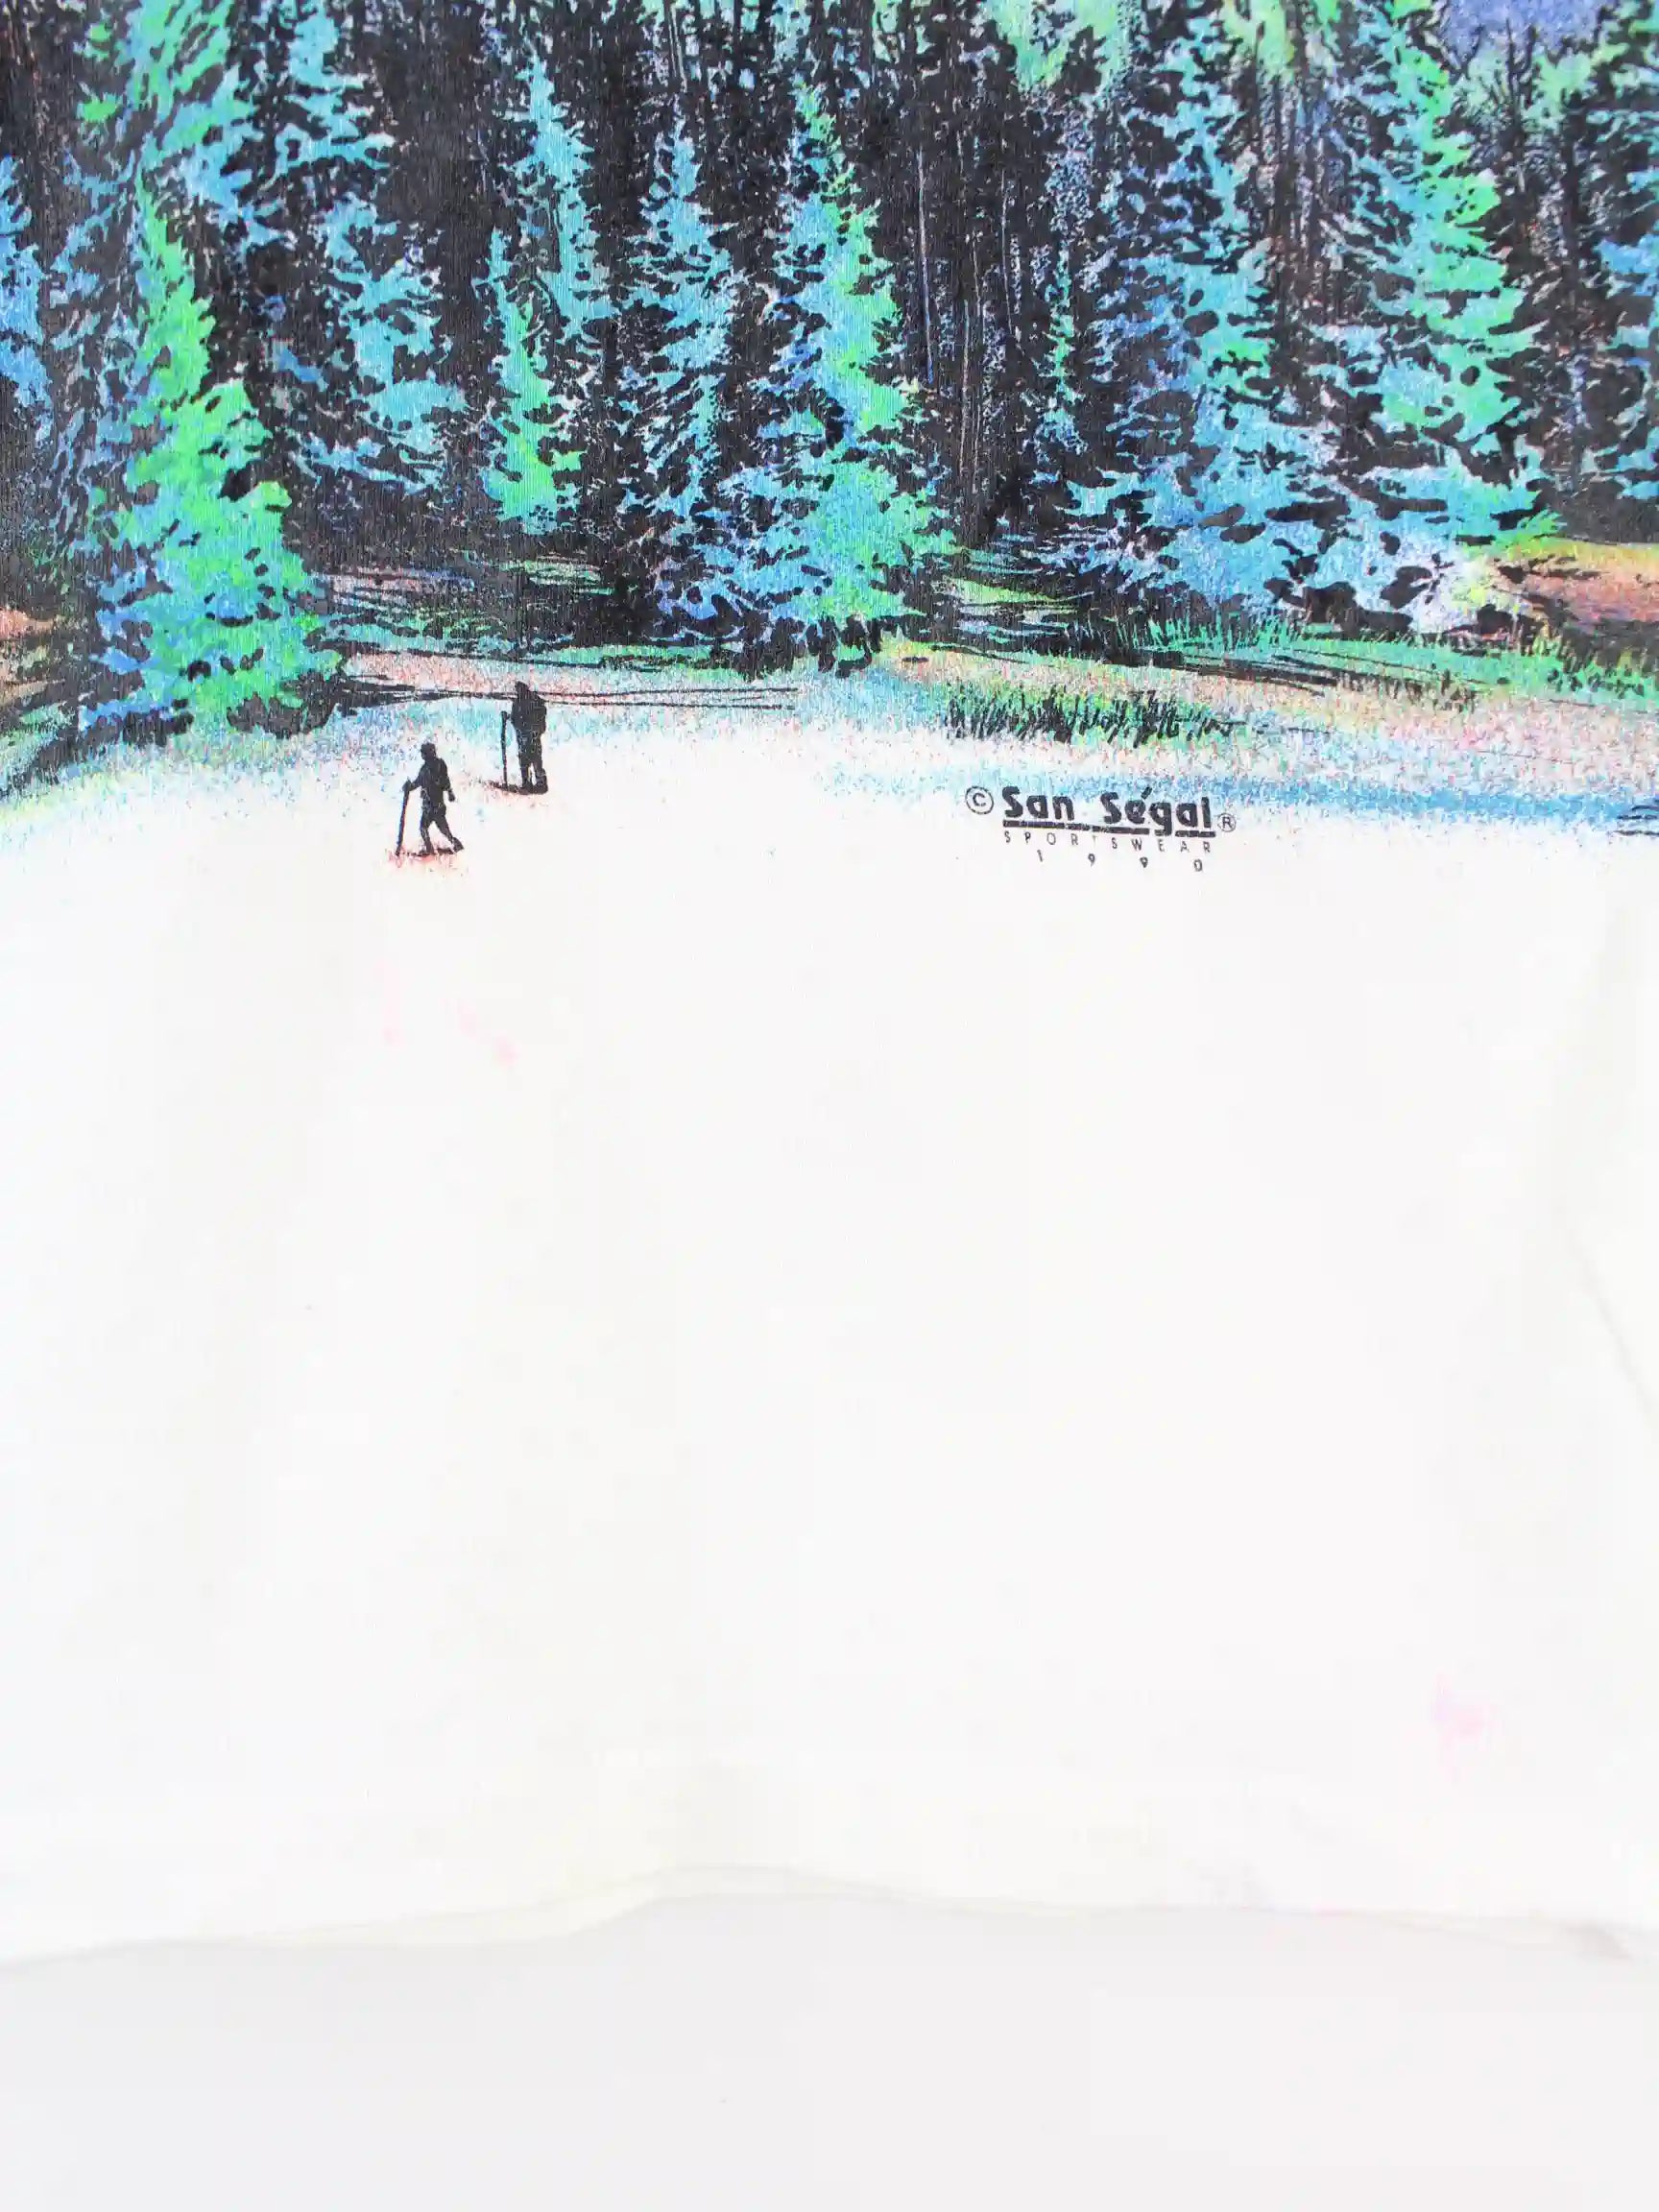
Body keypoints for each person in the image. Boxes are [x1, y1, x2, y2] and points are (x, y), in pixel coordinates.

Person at [404, 740, 464, 854]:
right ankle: (432, 848)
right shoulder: (426, 768)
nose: (423, 756)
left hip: (435, 805)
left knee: (438, 828)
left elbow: (445, 780)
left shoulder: (438, 765)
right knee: (429, 828)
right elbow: (417, 783)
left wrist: (450, 792)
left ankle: (449, 846)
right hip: (430, 805)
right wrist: (409, 787)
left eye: (424, 753)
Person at [510, 681, 548, 793]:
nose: (518, 692)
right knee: (528, 760)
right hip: (527, 735)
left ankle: (537, 783)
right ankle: (529, 783)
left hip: (531, 735)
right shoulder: (521, 702)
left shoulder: (531, 701)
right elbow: (514, 719)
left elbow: (515, 719)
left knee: (533, 760)